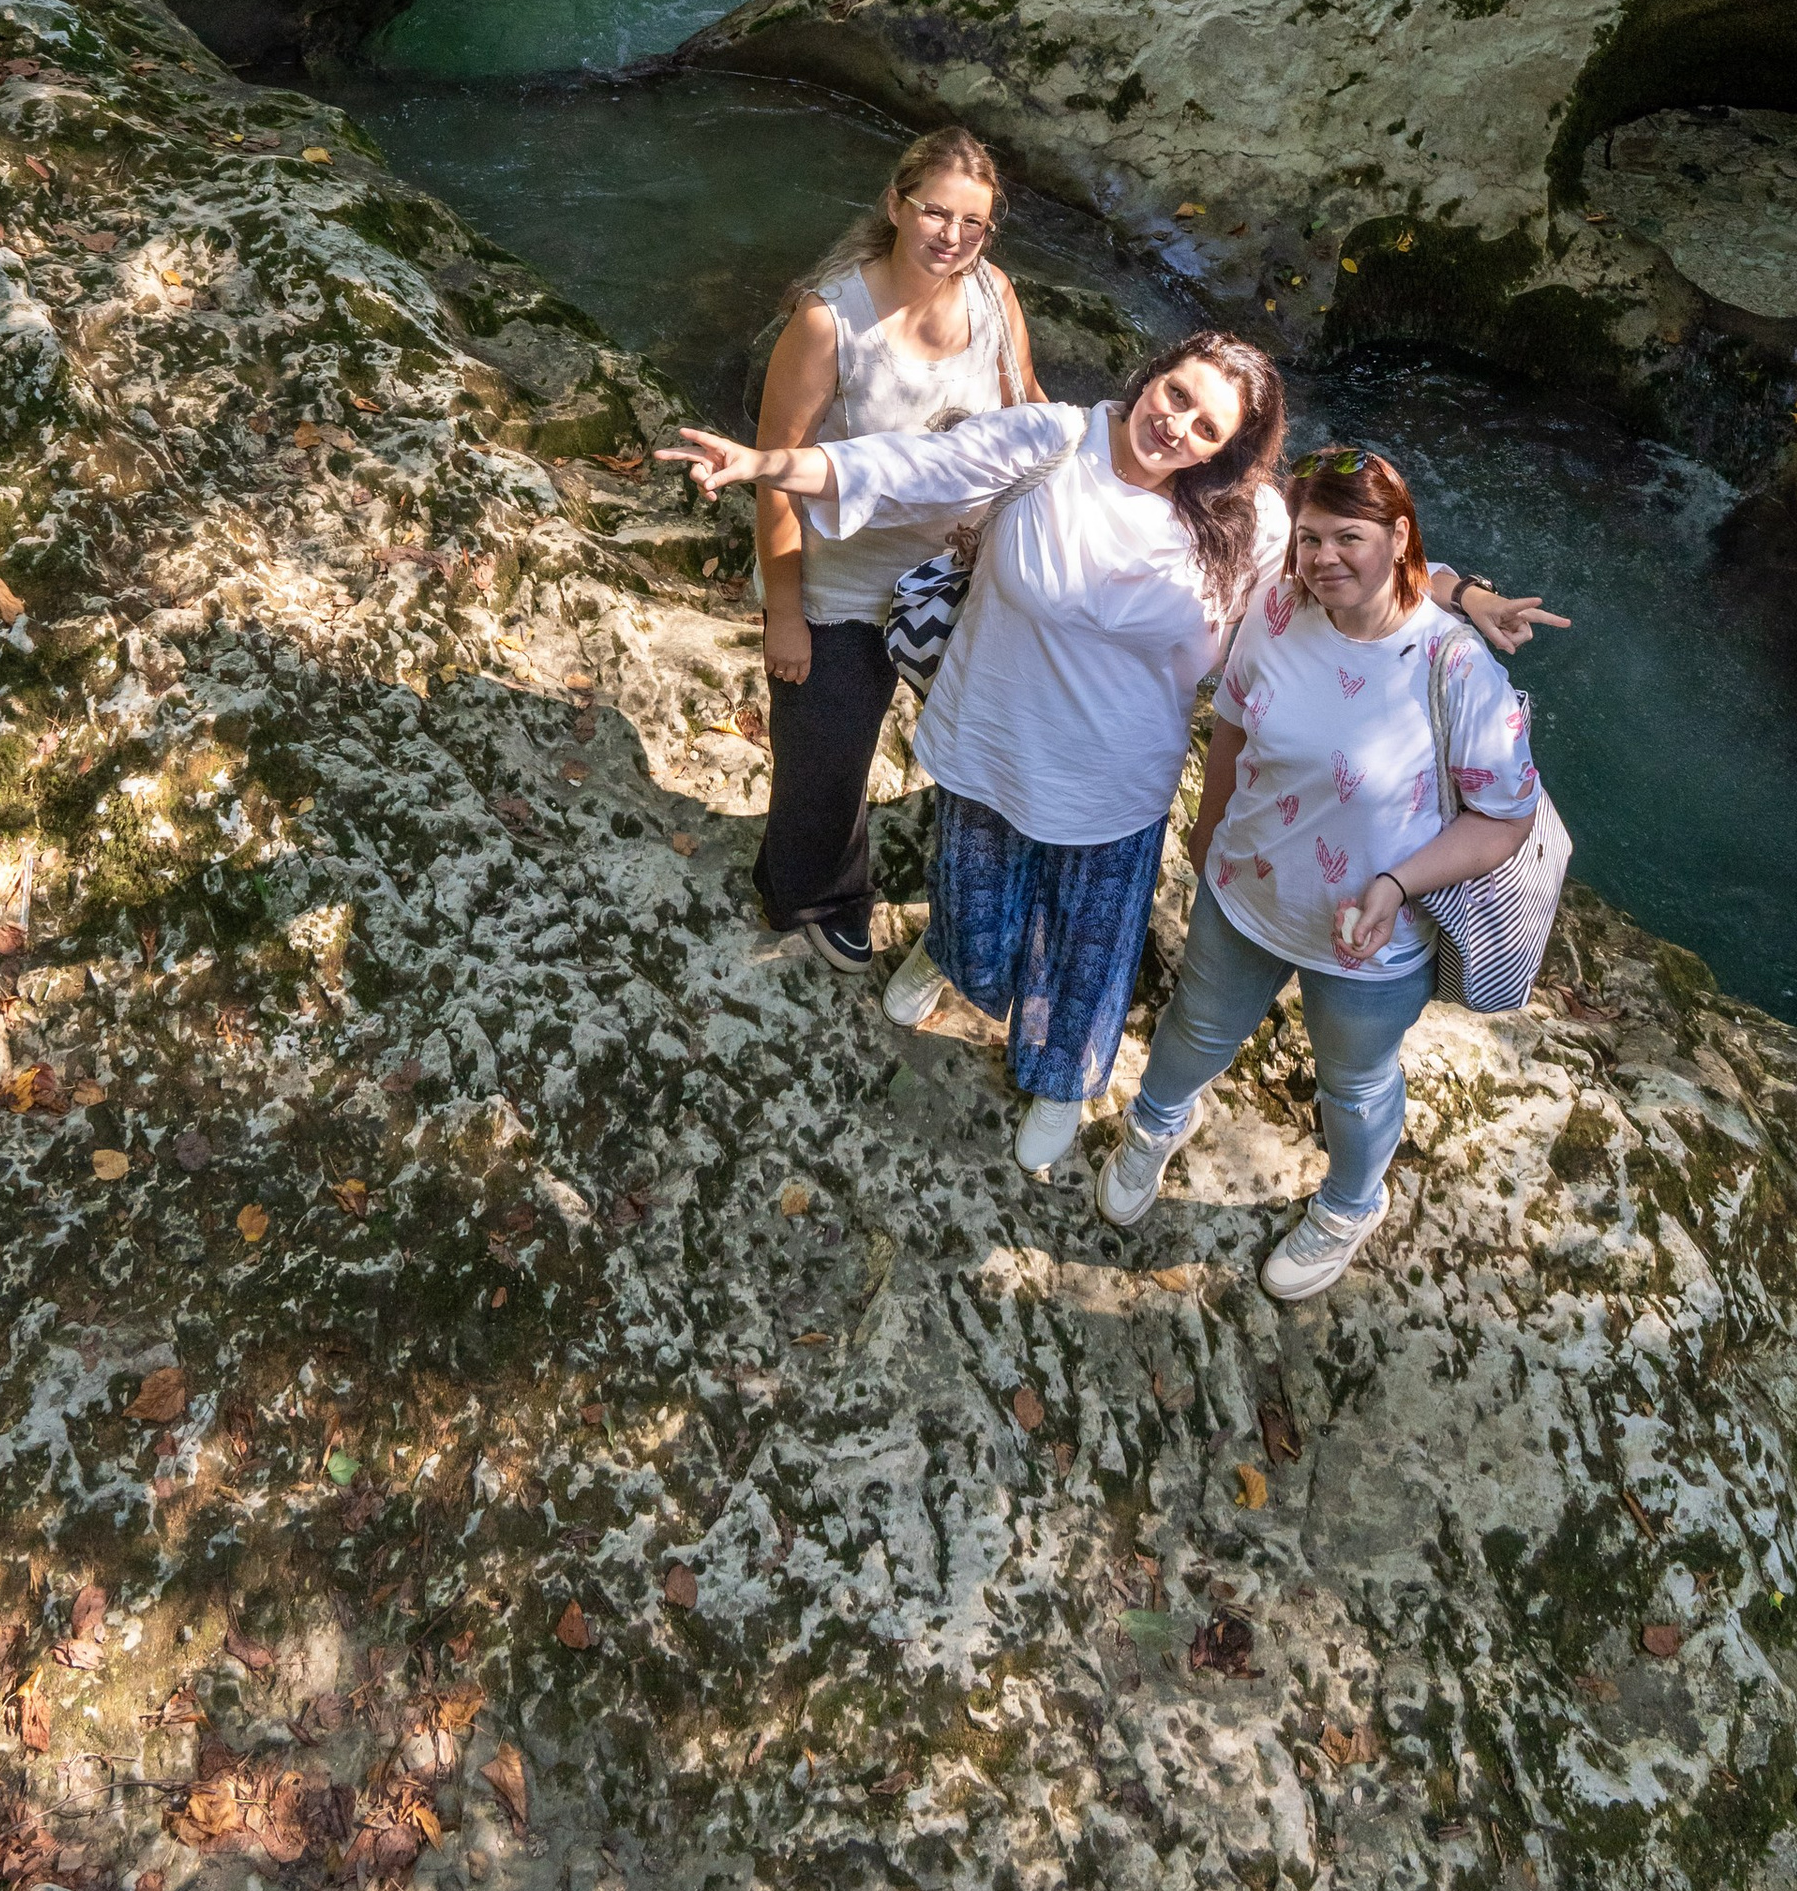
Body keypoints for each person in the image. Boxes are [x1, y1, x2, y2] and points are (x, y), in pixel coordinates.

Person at [666, 335, 1289, 1175]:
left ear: (1229, 453)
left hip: (1118, 782)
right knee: (973, 909)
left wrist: (1449, 595)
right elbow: (909, 466)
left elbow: (1338, 578)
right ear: (1152, 375)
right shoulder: (1054, 442)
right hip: (995, 743)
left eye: (1206, 426)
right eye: (1175, 394)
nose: (1174, 424)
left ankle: (1061, 1082)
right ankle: (950, 951)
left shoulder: (1252, 523)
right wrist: (765, 462)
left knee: (1089, 955)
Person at [1096, 444, 1570, 1301]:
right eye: (1310, 538)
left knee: (1352, 1082)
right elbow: (1233, 723)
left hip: (1372, 932)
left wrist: (1396, 886)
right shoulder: (1278, 609)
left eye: (1347, 536)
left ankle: (1351, 1202)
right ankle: (1155, 1122)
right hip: (1251, 888)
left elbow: (1505, 816)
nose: (1323, 559)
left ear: (1397, 537)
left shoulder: (1456, 666)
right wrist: (1207, 838)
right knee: (1198, 1023)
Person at [748, 128, 1042, 978]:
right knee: (827, 759)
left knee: (992, 739)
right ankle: (813, 891)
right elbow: (777, 474)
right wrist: (786, 613)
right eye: (935, 213)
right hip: (844, 582)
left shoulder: (992, 295)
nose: (951, 236)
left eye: (973, 223)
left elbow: (1029, 413)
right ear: (895, 205)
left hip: (960, 572)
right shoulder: (827, 321)